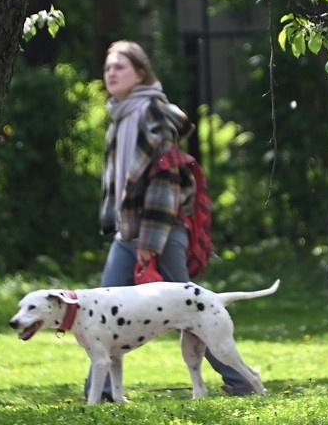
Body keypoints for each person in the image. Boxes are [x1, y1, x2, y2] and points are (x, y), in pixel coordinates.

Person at [84, 40, 256, 401]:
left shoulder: (154, 113)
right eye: (107, 68)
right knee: (100, 313)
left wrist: (149, 242)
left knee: (194, 313)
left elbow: (166, 181)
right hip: (127, 234)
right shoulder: (120, 116)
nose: (110, 73)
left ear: (141, 73)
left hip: (159, 233)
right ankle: (97, 394)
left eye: (119, 67)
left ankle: (241, 382)